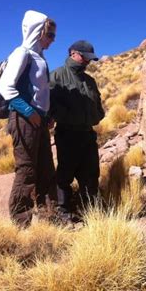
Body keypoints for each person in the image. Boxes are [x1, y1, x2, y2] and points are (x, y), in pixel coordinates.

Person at [0, 10, 57, 227]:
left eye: (53, 36)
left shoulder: (39, 57)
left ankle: (49, 219)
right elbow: (6, 87)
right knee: (27, 170)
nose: (52, 40)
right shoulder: (22, 53)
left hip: (37, 120)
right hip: (23, 119)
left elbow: (40, 93)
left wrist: (46, 115)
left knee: (46, 169)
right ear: (38, 31)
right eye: (49, 34)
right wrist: (29, 112)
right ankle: (20, 224)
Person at [49, 40, 105, 222]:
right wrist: (70, 116)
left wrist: (96, 116)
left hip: (88, 134)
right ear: (73, 53)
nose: (87, 61)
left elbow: (98, 106)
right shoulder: (57, 76)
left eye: (90, 59)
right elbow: (51, 105)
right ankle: (63, 212)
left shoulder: (90, 81)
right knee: (65, 174)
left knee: (90, 174)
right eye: (84, 57)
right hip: (67, 134)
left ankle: (91, 210)